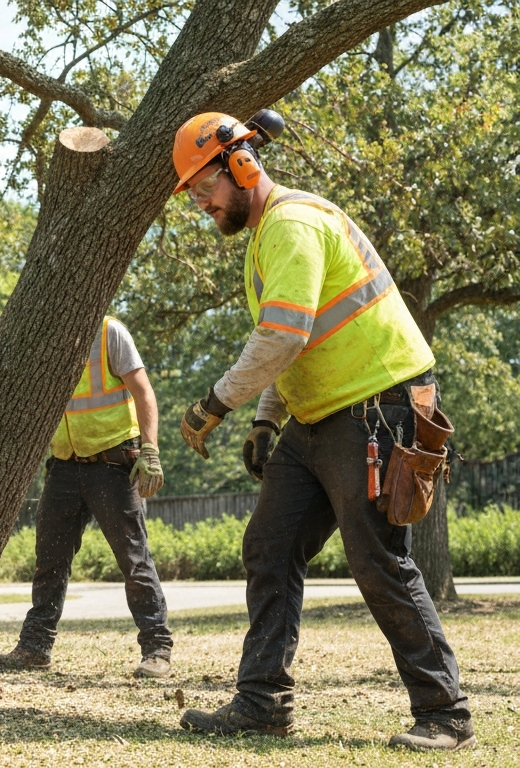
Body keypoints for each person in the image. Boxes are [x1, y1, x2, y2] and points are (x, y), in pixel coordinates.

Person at [171, 112, 473, 751]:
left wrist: (216, 404)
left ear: (242, 166)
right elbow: (294, 343)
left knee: (378, 560)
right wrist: (265, 419)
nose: (200, 204)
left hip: (375, 407)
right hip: (317, 418)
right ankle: (261, 703)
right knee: (270, 547)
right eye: (193, 195)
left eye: (203, 188)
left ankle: (445, 713)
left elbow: (284, 334)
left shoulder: (293, 224)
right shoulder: (267, 236)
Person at [0, 316, 172, 678]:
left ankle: (157, 649)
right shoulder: (44, 337)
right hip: (63, 465)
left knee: (133, 559)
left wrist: (150, 450)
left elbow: (143, 391)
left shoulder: (110, 332)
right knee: (49, 559)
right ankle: (35, 647)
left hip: (113, 463)